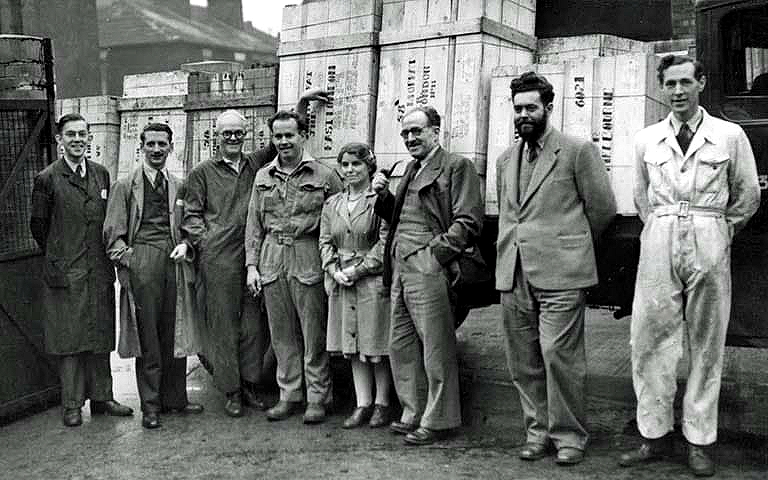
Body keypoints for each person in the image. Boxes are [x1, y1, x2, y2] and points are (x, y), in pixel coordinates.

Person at [620, 55, 760, 477]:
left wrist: (719, 230)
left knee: (706, 342)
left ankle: (699, 440)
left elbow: (748, 193)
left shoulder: (729, 134)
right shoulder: (647, 139)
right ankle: (653, 435)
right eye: (670, 84)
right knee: (649, 340)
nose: (678, 91)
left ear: (701, 83)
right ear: (662, 87)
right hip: (660, 234)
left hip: (709, 232)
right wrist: (663, 226)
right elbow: (642, 198)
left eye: (686, 82)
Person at [494, 72, 616, 465]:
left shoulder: (578, 150)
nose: (524, 115)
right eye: (518, 109)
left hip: (562, 273)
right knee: (523, 360)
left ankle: (569, 437)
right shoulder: (505, 159)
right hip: (514, 272)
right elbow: (510, 215)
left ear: (548, 107)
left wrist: (571, 248)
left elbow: (602, 209)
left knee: (559, 356)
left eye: (531, 107)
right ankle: (537, 432)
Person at [183, 91, 328, 417]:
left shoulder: (255, 163)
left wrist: (302, 105)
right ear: (216, 137)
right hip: (219, 260)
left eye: (238, 132)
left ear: (246, 135)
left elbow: (287, 137)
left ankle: (249, 384)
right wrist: (206, 241)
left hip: (257, 258)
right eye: (226, 133)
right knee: (223, 326)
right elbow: (190, 215)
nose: (233, 138)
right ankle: (231, 391)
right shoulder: (201, 173)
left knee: (253, 327)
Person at [371, 105, 483, 446]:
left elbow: (468, 221)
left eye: (417, 131)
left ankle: (439, 420)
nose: (410, 138)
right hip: (400, 265)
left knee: (436, 345)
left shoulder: (456, 166)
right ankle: (412, 411)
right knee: (401, 344)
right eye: (405, 132)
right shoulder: (409, 169)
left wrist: (434, 257)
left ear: (436, 131)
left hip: (427, 265)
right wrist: (383, 197)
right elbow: (400, 214)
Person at [30, 113, 134, 427]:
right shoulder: (47, 178)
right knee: (70, 341)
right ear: (60, 140)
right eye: (71, 134)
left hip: (98, 271)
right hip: (66, 272)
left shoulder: (102, 175)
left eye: (82, 134)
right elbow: (38, 226)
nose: (77, 140)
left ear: (89, 138)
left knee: (101, 336)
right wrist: (61, 256)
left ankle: (103, 397)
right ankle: (72, 405)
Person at [103, 123, 204, 429]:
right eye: (151, 144)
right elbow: (113, 234)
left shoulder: (179, 185)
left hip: (173, 260)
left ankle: (176, 399)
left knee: (175, 328)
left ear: (171, 147)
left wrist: (187, 244)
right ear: (141, 148)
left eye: (163, 144)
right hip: (142, 258)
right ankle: (151, 406)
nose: (157, 150)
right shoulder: (125, 186)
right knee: (147, 333)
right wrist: (130, 260)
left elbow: (190, 225)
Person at [245, 110, 343, 424]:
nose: (284, 141)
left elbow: (338, 222)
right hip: (272, 257)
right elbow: (254, 226)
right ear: (272, 139)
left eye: (290, 135)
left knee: (313, 333)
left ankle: (318, 397)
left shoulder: (324, 175)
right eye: (278, 136)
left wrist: (333, 264)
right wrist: (251, 266)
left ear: (303, 136)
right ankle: (289, 394)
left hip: (307, 253)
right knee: (281, 334)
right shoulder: (263, 176)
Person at [319, 143, 392, 429]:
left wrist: (359, 270)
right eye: (345, 165)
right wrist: (333, 269)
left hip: (371, 279)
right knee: (352, 345)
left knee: (375, 343)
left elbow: (385, 241)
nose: (350, 170)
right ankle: (362, 403)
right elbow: (325, 240)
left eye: (356, 165)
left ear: (368, 167)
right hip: (342, 281)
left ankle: (382, 403)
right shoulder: (332, 203)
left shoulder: (378, 200)